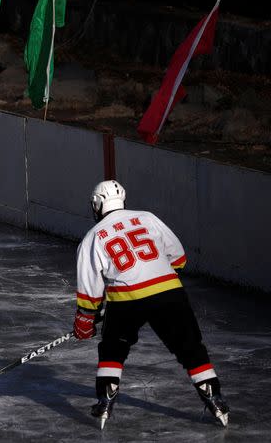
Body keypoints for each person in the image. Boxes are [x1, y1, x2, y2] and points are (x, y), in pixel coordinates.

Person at [73, 180, 229, 429]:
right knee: (190, 347)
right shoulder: (147, 217)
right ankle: (215, 399)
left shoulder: (92, 237)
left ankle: (105, 401)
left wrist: (85, 318)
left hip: (126, 299)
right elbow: (178, 257)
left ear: (97, 204)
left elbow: (90, 288)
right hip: (169, 292)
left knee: (113, 349)